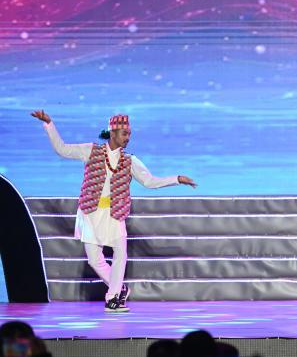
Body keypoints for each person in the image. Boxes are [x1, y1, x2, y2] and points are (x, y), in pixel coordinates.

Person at [31, 110, 196, 313]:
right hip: (91, 213)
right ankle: (119, 288)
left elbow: (149, 181)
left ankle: (113, 297)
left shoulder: (130, 161)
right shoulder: (91, 151)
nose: (128, 138)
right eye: (124, 133)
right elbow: (62, 149)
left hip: (115, 213)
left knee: (120, 253)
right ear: (113, 132)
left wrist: (176, 179)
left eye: (129, 134)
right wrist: (49, 124)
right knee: (94, 260)